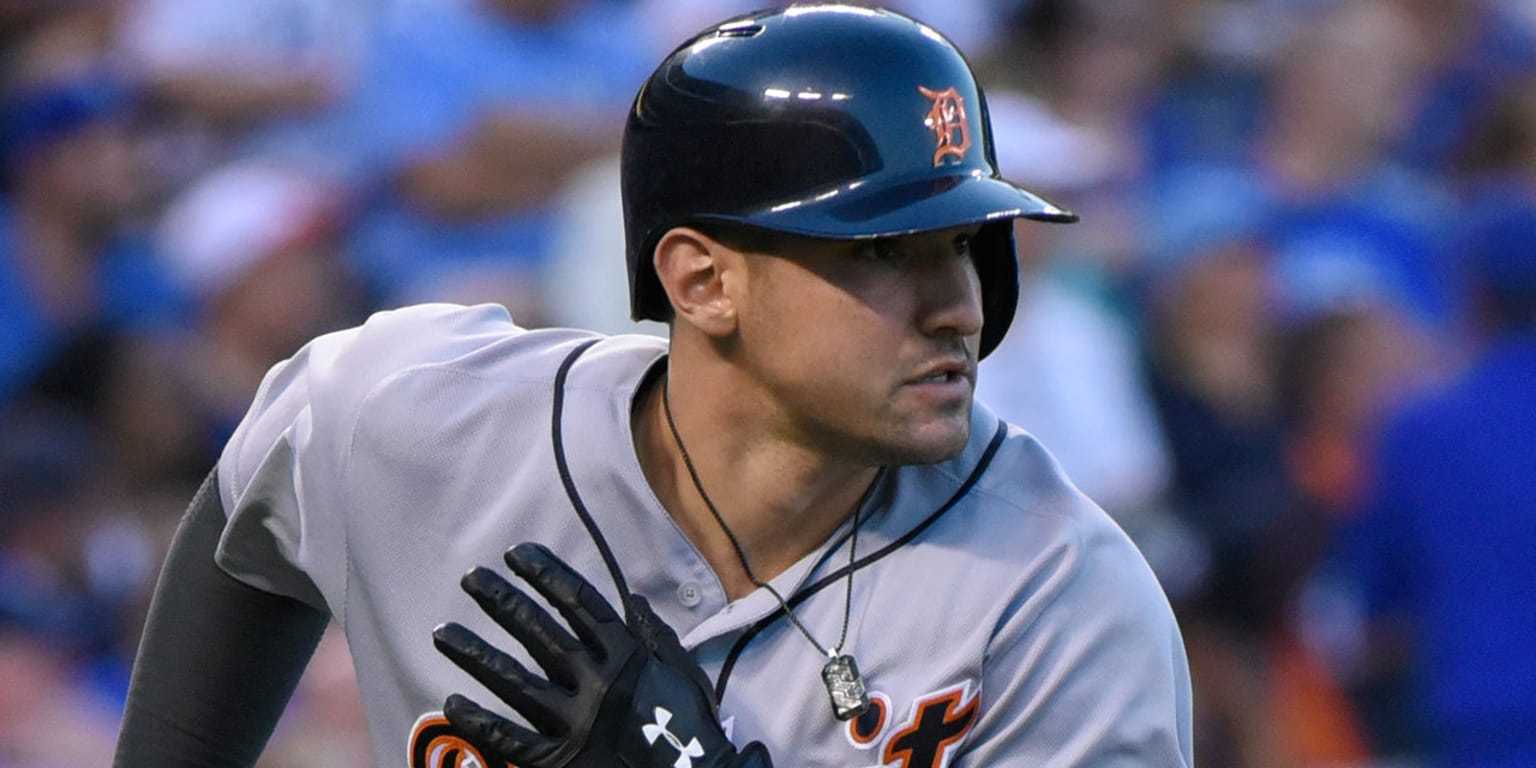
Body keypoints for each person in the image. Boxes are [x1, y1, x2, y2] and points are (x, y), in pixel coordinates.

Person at [113, 6, 1193, 767]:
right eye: (880, 252)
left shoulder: (1059, 599)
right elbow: (266, 489)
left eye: (965, 246)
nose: (957, 303)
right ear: (702, 280)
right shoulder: (426, 417)